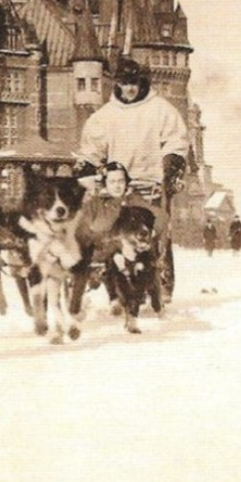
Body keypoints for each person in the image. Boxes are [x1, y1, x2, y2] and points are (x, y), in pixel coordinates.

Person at [74, 57, 191, 302]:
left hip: (149, 181)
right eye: (125, 83)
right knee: (109, 228)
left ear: (140, 83)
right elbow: (92, 147)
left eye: (134, 83)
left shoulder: (160, 109)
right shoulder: (105, 115)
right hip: (117, 182)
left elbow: (176, 139)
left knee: (155, 229)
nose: (129, 88)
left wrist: (170, 165)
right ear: (117, 84)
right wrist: (87, 168)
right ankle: (108, 276)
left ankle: (163, 278)